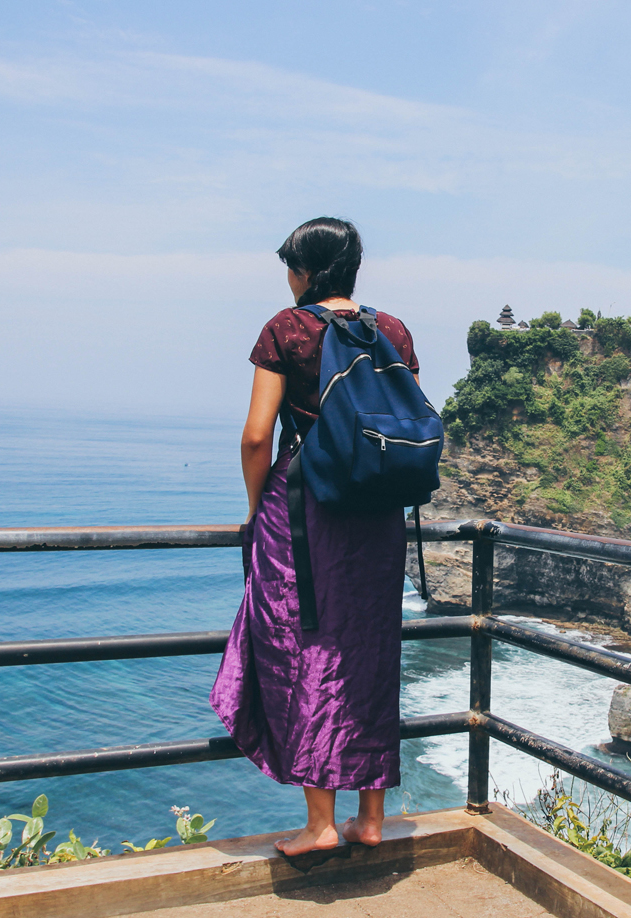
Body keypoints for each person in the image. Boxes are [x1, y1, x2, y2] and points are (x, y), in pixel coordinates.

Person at [210, 217, 419, 856]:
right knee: (371, 648)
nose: (288, 279)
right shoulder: (393, 330)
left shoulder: (287, 328)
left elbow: (256, 436)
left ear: (306, 271)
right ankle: (371, 818)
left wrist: (256, 508)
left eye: (290, 267)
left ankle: (321, 823)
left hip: (306, 508)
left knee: (306, 646)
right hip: (378, 510)